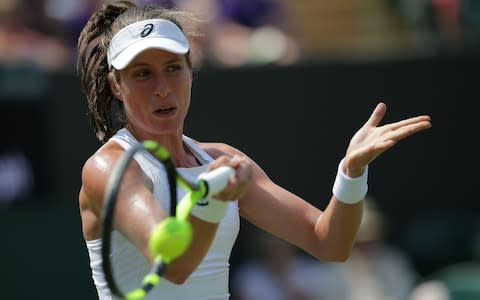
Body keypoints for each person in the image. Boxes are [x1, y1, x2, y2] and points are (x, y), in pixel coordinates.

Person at [76, 0, 432, 299]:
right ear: (116, 86)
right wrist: (213, 199)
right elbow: (174, 265)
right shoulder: (109, 168)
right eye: (142, 74)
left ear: (189, 72)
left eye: (172, 69)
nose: (162, 88)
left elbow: (331, 244)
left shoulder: (218, 160)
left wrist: (351, 173)